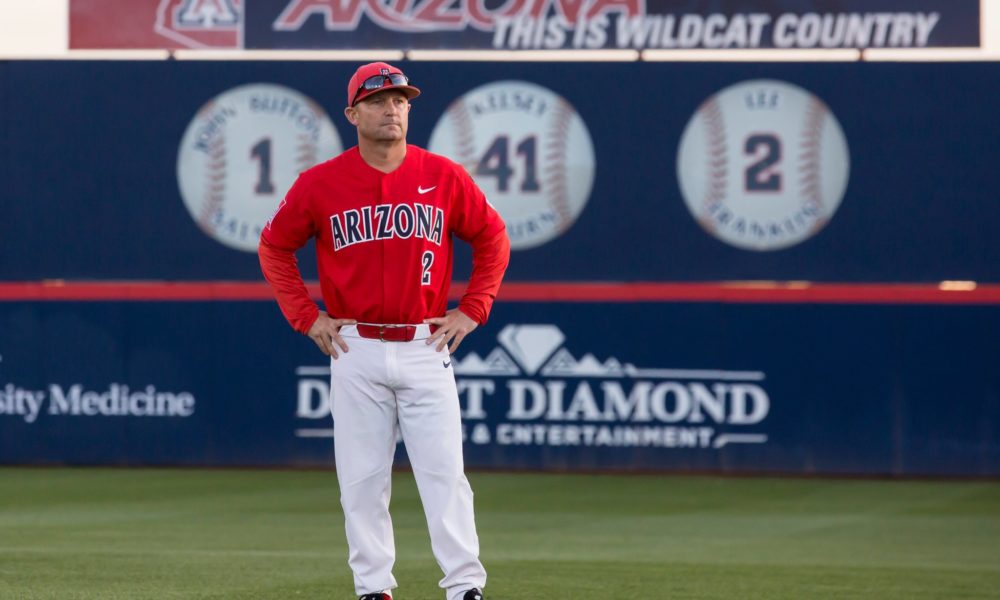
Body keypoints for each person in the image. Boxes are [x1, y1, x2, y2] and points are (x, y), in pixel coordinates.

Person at [258, 62, 509, 600]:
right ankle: (373, 588)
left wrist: (474, 307)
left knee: (445, 479)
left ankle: (465, 587)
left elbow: (492, 237)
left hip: (425, 342)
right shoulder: (321, 183)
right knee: (362, 484)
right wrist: (307, 316)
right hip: (356, 346)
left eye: (400, 99)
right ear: (353, 113)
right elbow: (275, 245)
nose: (391, 108)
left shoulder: (443, 176)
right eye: (377, 100)